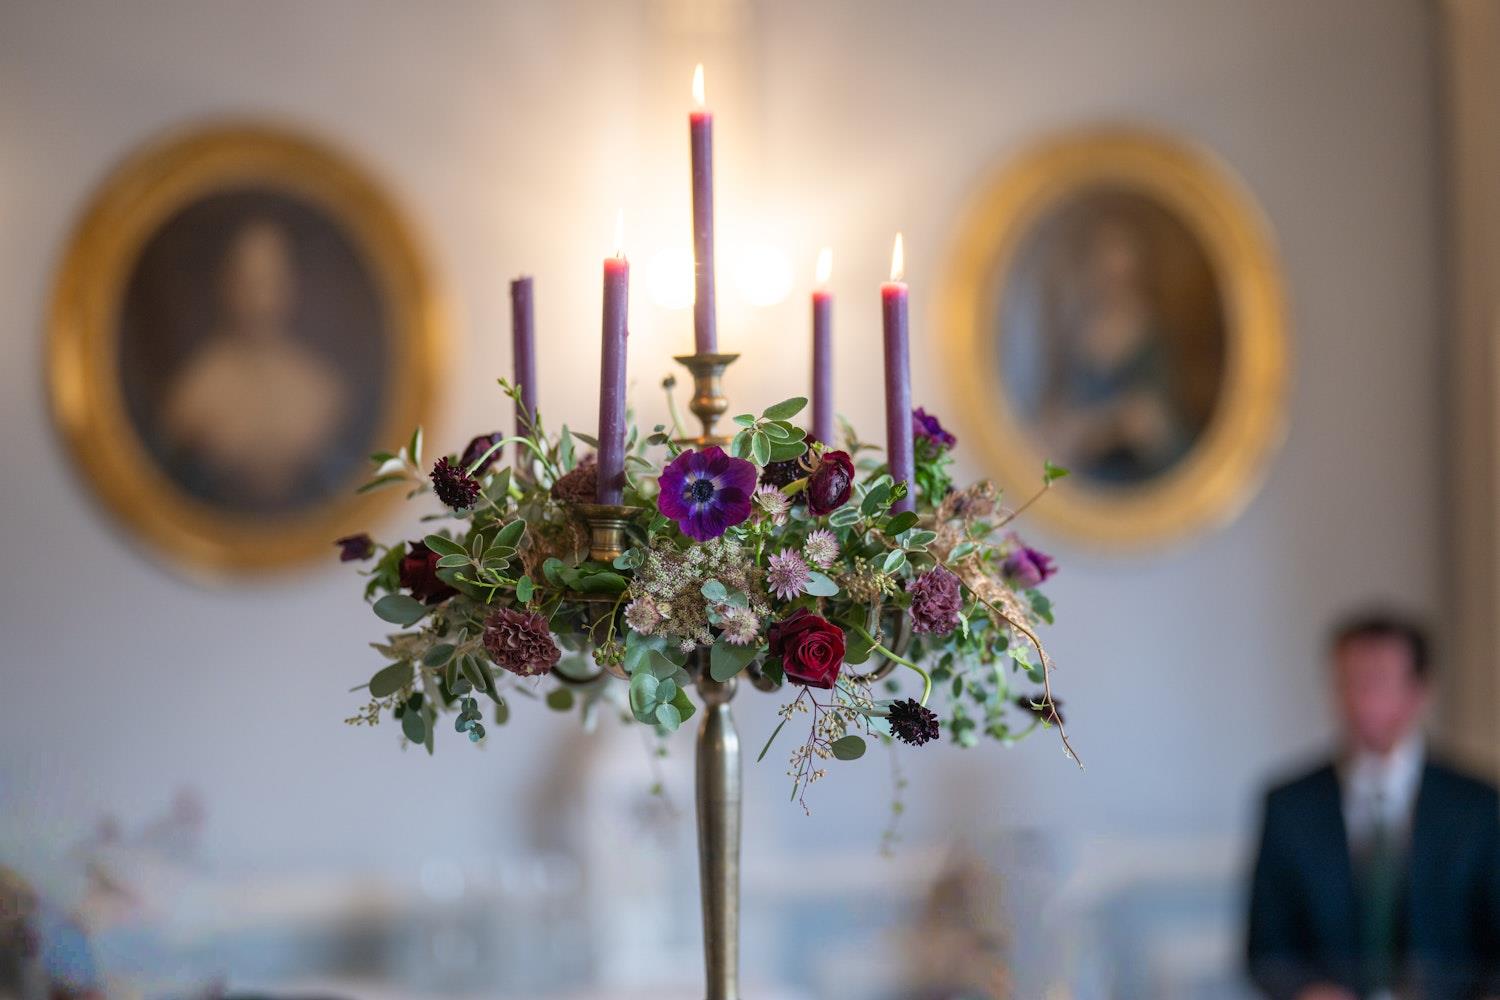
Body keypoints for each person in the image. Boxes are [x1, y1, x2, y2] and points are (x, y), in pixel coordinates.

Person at [1246, 612, 1500, 999]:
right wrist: (1308, 990)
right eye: (1348, 681)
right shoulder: (1288, 805)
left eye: (1377, 681)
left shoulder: (1476, 806)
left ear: (1418, 691)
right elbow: (1265, 953)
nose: (1360, 698)